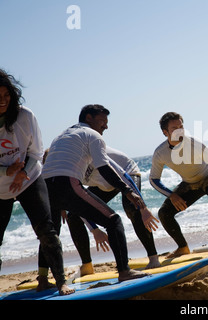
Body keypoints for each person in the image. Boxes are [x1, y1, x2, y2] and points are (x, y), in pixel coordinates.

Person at [40, 104, 149, 288]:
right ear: (89, 118)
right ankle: (124, 271)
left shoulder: (62, 135)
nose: (105, 126)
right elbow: (105, 168)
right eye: (102, 121)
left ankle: (42, 281)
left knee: (49, 233)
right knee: (113, 221)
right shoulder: (92, 135)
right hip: (67, 183)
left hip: (44, 187)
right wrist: (127, 191)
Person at [0, 69, 74, 295]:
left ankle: (60, 281)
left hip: (29, 179)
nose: (3, 101)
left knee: (47, 230)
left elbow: (37, 151)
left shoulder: (25, 116)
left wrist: (23, 173)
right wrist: (6, 171)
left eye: (6, 95)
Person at [150, 112, 208, 257]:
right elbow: (154, 179)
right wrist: (172, 195)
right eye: (175, 128)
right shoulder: (160, 153)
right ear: (165, 132)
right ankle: (183, 247)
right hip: (189, 183)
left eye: (181, 126)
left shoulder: (193, 143)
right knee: (164, 213)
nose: (180, 131)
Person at [64, 146, 160, 275]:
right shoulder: (67, 173)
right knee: (73, 216)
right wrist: (95, 230)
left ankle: (153, 257)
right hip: (103, 184)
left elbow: (123, 176)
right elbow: (79, 203)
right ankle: (87, 266)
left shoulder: (84, 154)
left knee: (132, 208)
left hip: (125, 172)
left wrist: (143, 207)